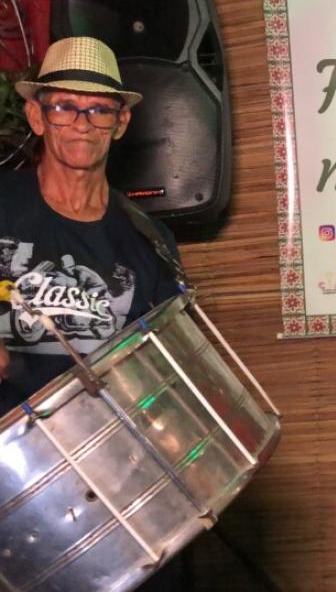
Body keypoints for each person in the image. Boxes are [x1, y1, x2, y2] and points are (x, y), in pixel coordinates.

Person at [0, 36, 183, 589]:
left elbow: (165, 377)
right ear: (37, 115)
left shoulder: (148, 241)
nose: (82, 122)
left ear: (120, 122)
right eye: (64, 106)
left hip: (112, 490)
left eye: (99, 108)